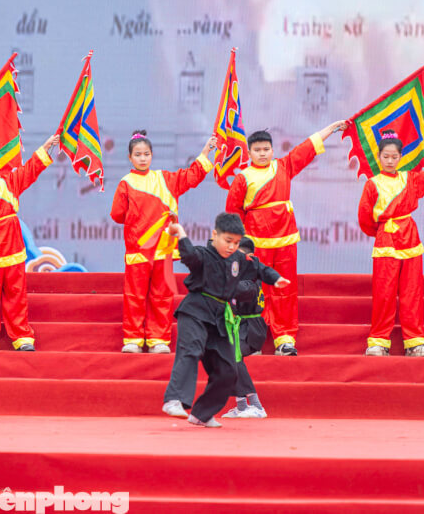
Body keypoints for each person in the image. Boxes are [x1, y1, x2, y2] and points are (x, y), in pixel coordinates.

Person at [225, 121, 348, 356]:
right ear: (249, 152)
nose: (262, 154)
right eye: (257, 150)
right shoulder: (243, 178)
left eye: (266, 149)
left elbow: (307, 148)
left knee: (284, 289)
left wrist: (330, 129)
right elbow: (233, 213)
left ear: (273, 150)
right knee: (253, 290)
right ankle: (251, 340)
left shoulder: (283, 167)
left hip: (285, 240)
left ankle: (285, 338)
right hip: (255, 242)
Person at [161, 213, 290, 427]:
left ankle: (202, 413)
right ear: (215, 235)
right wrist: (181, 234)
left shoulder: (238, 259)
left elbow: (258, 268)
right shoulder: (203, 254)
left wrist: (276, 279)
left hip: (220, 318)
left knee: (229, 369)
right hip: (196, 311)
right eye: (228, 241)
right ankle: (174, 399)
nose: (232, 246)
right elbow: (189, 256)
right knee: (191, 350)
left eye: (236, 242)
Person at [111, 131, 217, 354]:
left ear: (152, 155)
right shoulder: (126, 183)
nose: (142, 158)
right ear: (130, 157)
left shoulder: (166, 179)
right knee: (135, 295)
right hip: (137, 249)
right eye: (137, 154)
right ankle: (133, 339)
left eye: (146, 154)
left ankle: (158, 339)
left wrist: (206, 152)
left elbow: (191, 176)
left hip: (163, 248)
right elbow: (117, 214)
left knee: (162, 294)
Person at [0, 134, 59, 351]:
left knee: (16, 294)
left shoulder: (8, 183)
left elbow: (30, 170)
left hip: (14, 249)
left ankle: (22, 337)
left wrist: (45, 147)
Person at [358, 131, 424, 357]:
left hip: (410, 239)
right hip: (386, 241)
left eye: (394, 157)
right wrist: (381, 232)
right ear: (379, 157)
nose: (390, 161)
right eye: (385, 157)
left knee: (412, 292)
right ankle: (378, 342)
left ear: (401, 157)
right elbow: (364, 218)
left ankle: (415, 343)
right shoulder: (372, 185)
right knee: (384, 293)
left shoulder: (411, 179)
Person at [222, 237, 273, 418]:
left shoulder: (251, 276)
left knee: (232, 357)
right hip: (241, 325)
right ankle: (242, 406)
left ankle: (257, 405)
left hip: (251, 327)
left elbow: (242, 290)